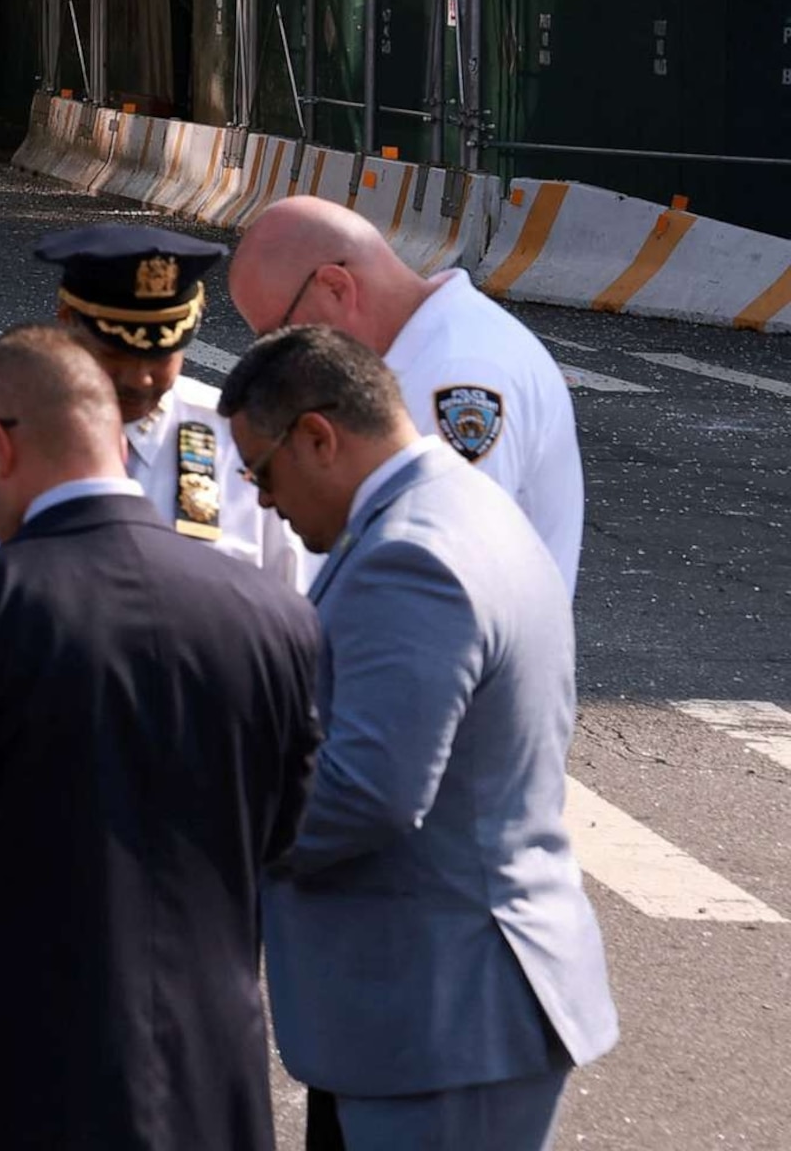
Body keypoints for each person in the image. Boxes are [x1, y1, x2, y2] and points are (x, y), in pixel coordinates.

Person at [0, 326, 322, 1151]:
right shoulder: (274, 619)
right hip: (202, 1075)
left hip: (1, 1083)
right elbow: (287, 833)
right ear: (117, 440)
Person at [226, 326, 616, 1151]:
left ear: (318, 437)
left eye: (261, 472)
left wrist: (201, 837)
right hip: (448, 1002)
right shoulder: (459, 505)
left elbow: (367, 795)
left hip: (442, 1012)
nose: (262, 501)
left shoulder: (410, 557)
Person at [0, 224, 292, 690]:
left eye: (161, 356)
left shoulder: (234, 432)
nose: (140, 380)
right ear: (67, 321)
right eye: (116, 355)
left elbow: (298, 612)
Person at [229, 194, 584, 593]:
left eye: (282, 333)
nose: (282, 357)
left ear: (335, 287)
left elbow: (441, 573)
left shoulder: (458, 376)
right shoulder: (430, 352)